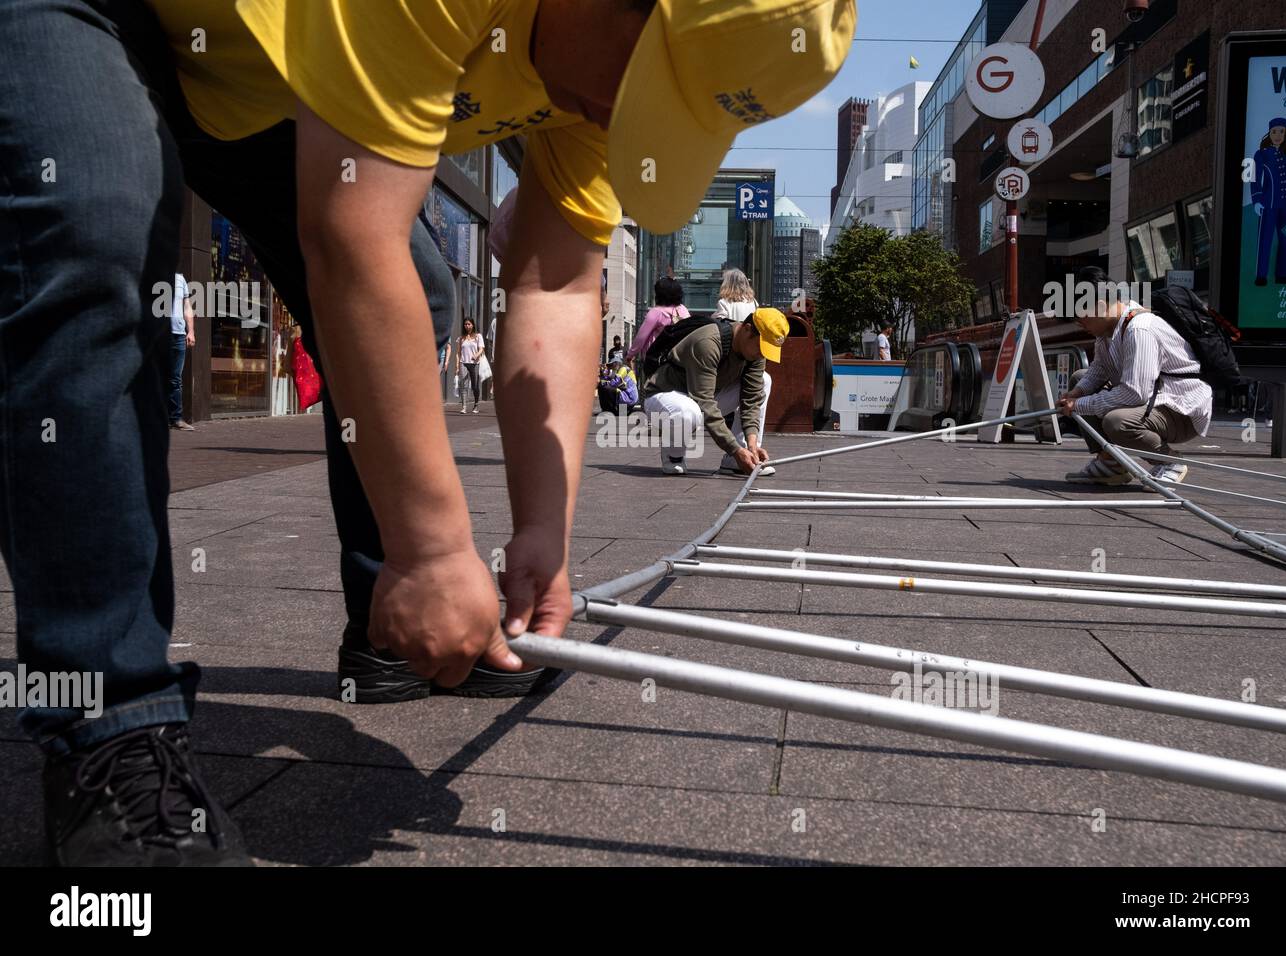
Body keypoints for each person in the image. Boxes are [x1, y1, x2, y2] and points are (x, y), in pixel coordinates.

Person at [0, 0, 854, 865]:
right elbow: (350, 238)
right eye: (643, 89)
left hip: (253, 81)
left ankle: (391, 635)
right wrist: (436, 551)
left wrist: (542, 538)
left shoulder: (592, 85)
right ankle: (110, 727)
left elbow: (556, 287)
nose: (614, 118)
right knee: (90, 229)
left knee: (422, 287)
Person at [1057, 268, 1212, 486]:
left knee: (1117, 422)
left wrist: (1080, 405)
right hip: (1152, 400)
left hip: (1179, 409)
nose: (1079, 324)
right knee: (1080, 379)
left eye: (1080, 317)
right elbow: (1099, 369)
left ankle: (1169, 461)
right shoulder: (1107, 330)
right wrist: (1076, 393)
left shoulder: (1139, 329)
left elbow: (1134, 393)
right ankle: (1111, 463)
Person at [643, 309, 788, 476]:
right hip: (664, 396)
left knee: (764, 380)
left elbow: (751, 399)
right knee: (687, 412)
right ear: (747, 330)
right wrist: (734, 449)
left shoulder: (755, 353)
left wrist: (752, 444)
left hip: (701, 397)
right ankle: (673, 457)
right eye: (761, 347)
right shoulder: (708, 342)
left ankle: (743, 459)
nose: (762, 354)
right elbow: (704, 402)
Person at [1250, 117, 1286, 287]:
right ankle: (1261, 275)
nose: (1278, 135)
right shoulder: (1261, 153)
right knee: (1265, 239)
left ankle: (1282, 274)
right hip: (1268, 203)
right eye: (1274, 132)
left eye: (1281, 132)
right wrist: (1256, 200)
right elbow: (1255, 178)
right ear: (1269, 133)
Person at [628, 276, 691, 360]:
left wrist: (630, 355)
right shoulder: (683, 310)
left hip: (657, 359)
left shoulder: (656, 312)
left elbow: (641, 337)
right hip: (680, 358)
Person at [168, 273, 196, 430]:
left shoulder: (180, 279)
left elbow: (187, 307)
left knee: (175, 379)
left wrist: (190, 331)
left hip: (178, 334)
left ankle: (176, 419)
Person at [455, 319, 486, 414]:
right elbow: (458, 353)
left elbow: (481, 348)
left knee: (474, 386)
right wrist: (457, 365)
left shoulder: (478, 336)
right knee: (463, 384)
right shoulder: (461, 338)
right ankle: (464, 407)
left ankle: (476, 404)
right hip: (463, 362)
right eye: (465, 324)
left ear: (472, 325)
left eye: (469, 324)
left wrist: (476, 355)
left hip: (474, 363)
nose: (467, 326)